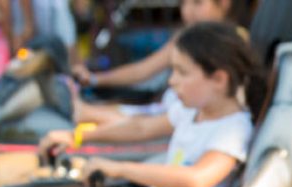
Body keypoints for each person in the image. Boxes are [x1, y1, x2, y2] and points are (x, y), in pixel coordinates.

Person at [0, 21, 262, 187]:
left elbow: (196, 179)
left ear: (219, 79)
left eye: (182, 73)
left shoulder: (233, 129)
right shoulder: (191, 111)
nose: (172, 82)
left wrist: (120, 168)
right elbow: (140, 127)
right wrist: (77, 136)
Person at [71, 0, 236, 126]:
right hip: (165, 111)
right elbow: (142, 70)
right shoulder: (186, 38)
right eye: (184, 2)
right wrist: (94, 79)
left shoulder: (229, 45)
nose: (187, 11)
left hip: (171, 117)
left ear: (224, 3)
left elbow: (149, 127)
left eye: (197, 3)